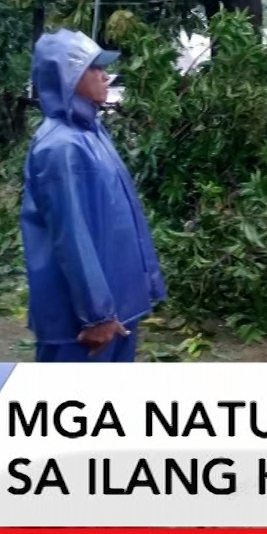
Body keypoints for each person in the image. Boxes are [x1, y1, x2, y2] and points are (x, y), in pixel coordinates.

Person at [19, 29, 166, 362]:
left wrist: (143, 286)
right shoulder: (60, 147)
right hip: (83, 324)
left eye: (103, 68)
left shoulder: (92, 133)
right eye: (93, 68)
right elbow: (72, 238)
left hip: (117, 309)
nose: (105, 76)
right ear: (66, 78)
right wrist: (97, 315)